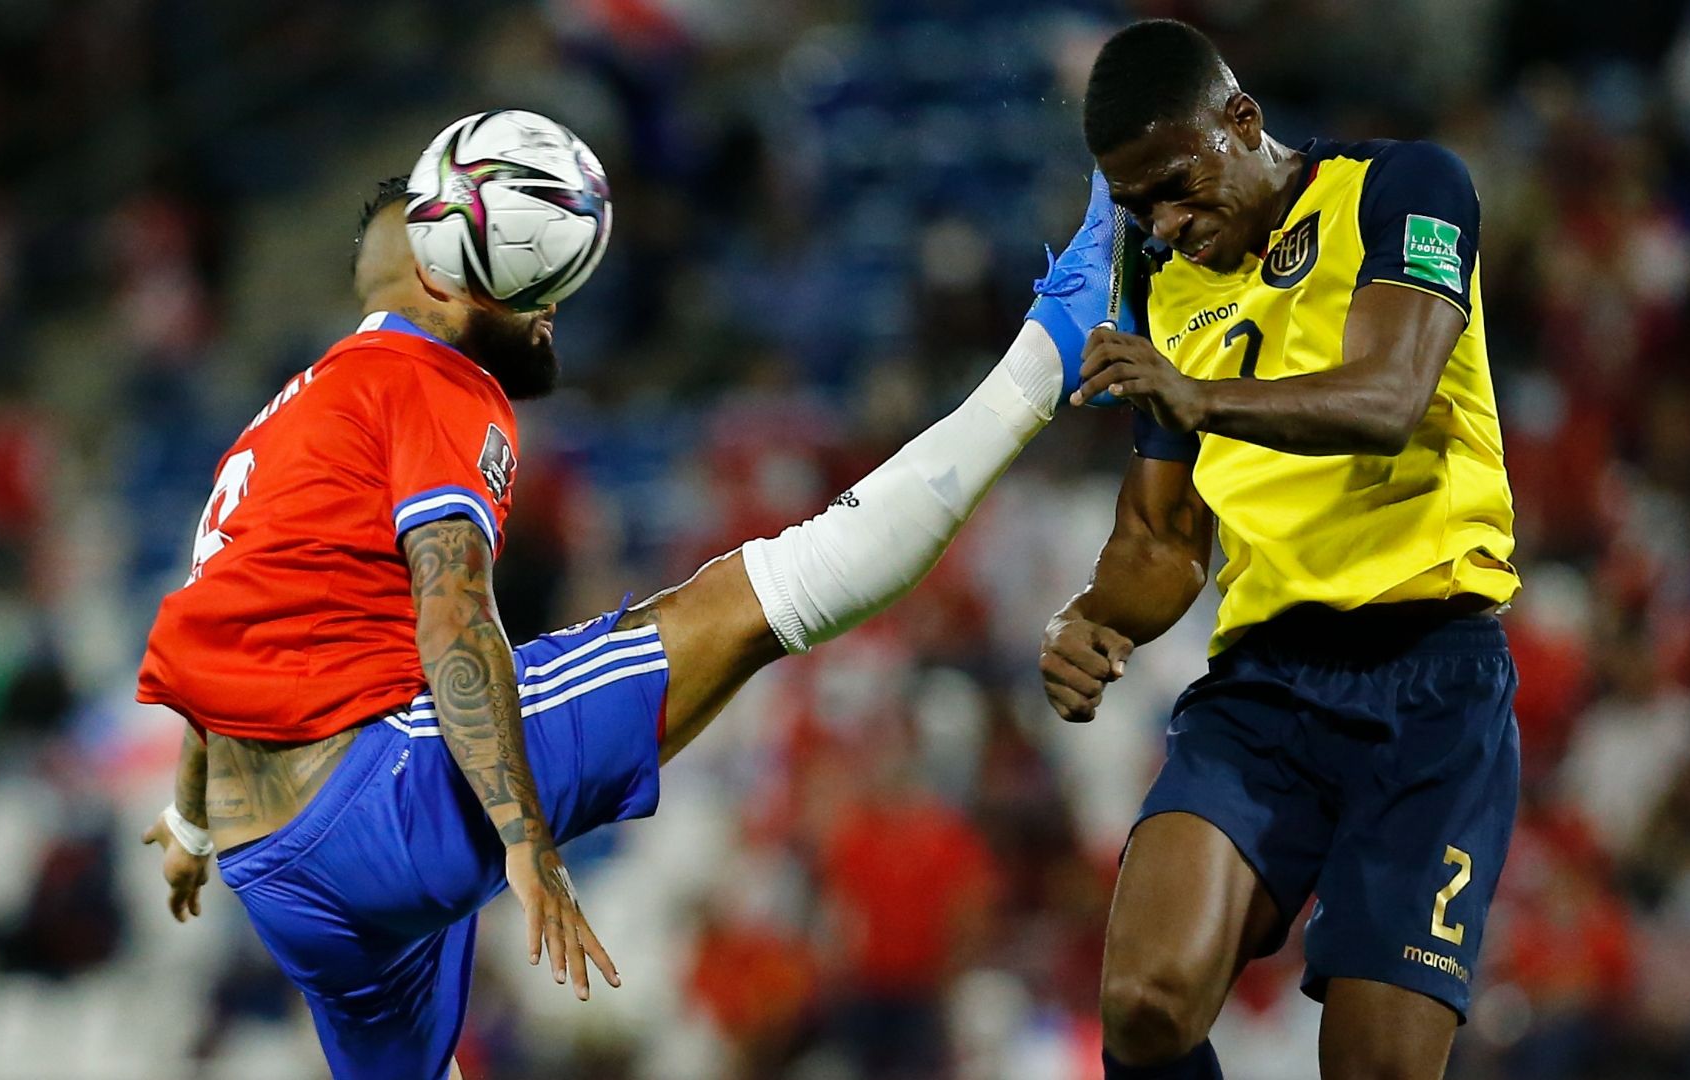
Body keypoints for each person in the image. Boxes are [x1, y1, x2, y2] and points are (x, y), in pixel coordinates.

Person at [136, 169, 1123, 1080]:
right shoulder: (419, 379)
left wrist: (189, 824)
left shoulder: (275, 428)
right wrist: (523, 840)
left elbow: (215, 643)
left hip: (270, 871)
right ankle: (1052, 348)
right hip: (376, 807)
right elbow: (456, 623)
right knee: (750, 600)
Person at [1036, 20, 1522, 1080]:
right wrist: (1094, 619)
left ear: (1243, 121)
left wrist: (1199, 394)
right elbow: (1165, 542)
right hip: (1268, 692)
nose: (1166, 224)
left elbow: (1392, 397)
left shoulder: (1405, 188)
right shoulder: (1165, 291)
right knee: (1145, 1005)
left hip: (1433, 684)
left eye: (1178, 184)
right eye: (1138, 209)